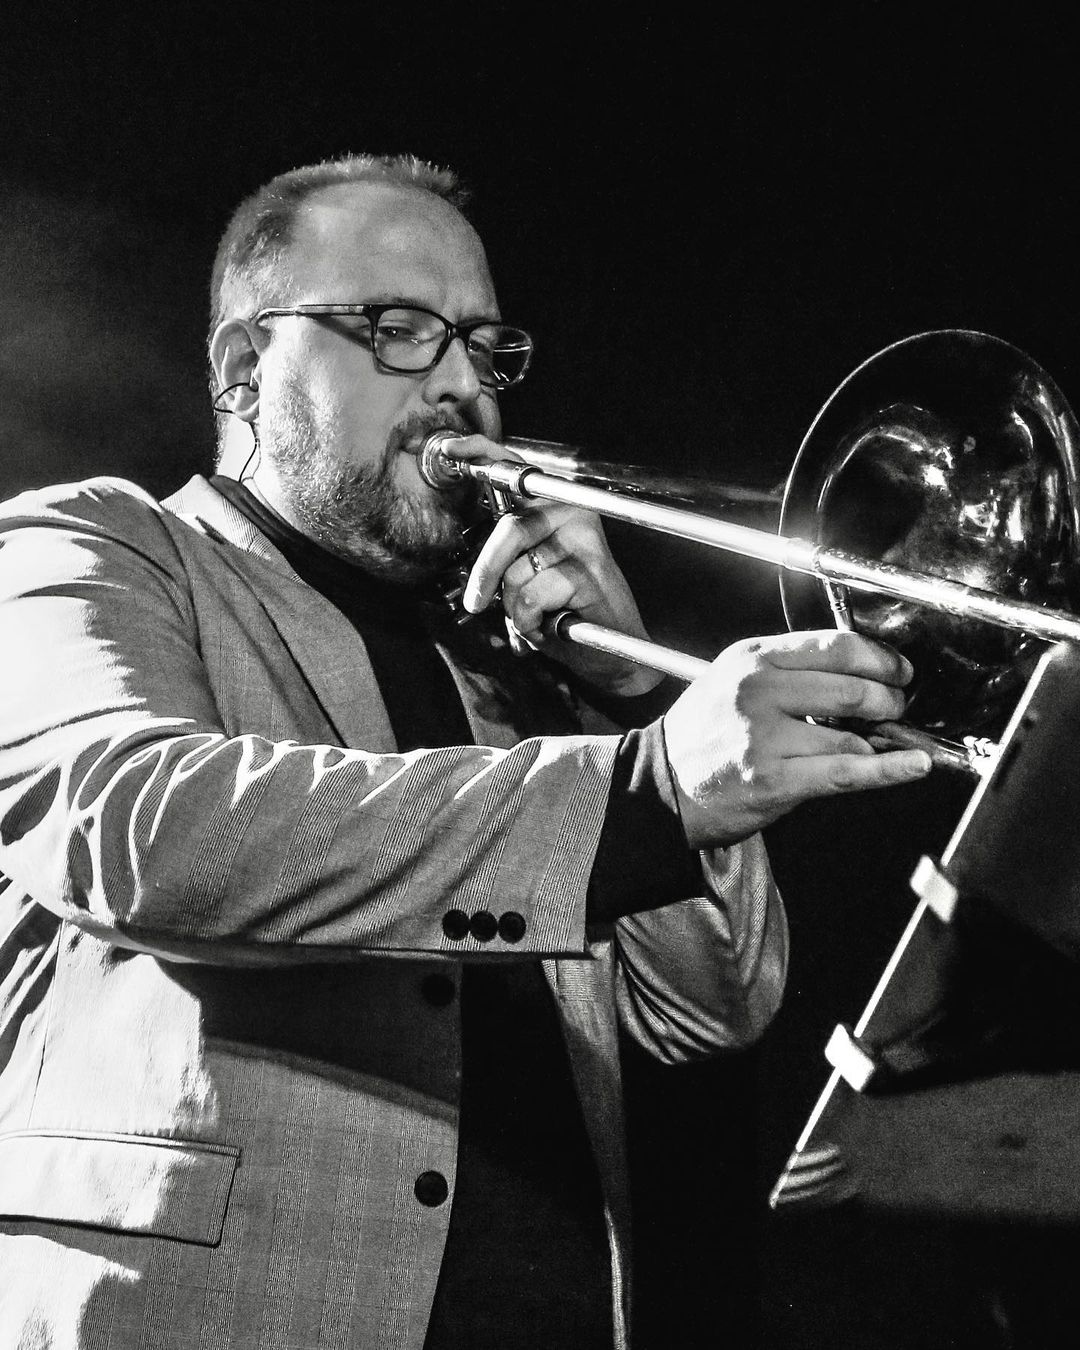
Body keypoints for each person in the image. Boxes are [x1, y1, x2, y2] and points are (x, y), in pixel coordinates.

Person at [0, 152, 930, 1350]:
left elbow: (705, 1013)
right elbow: (137, 830)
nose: (460, 386)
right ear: (243, 365)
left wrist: (626, 691)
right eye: (397, 331)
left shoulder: (512, 663)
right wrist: (646, 782)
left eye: (486, 351)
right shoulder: (91, 547)